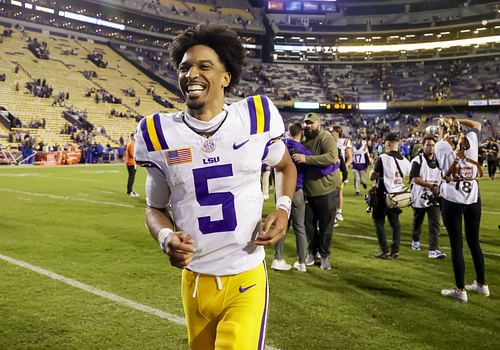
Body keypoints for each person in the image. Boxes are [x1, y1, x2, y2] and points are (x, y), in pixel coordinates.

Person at [134, 24, 296, 349]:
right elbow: (155, 208)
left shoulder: (256, 117)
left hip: (245, 275)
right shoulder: (158, 133)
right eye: (184, 67)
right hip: (194, 281)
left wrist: (283, 208)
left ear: (226, 77)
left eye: (204, 65)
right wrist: (166, 237)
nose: (191, 73)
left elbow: (285, 166)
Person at [436, 117, 489, 302]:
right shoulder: (471, 139)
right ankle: (482, 285)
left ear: (443, 129)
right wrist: (457, 119)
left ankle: (460, 290)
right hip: (473, 195)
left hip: (453, 197)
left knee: (456, 244)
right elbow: (476, 125)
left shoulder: (441, 145)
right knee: (474, 242)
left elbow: (444, 173)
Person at [293, 113, 341, 270]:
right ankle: (311, 253)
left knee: (326, 226)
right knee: (308, 225)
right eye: (306, 123)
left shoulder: (325, 137)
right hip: (309, 191)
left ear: (319, 124)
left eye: (311, 123)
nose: (308, 126)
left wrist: (307, 159)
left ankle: (325, 255)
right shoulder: (304, 141)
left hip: (327, 190)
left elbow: (332, 157)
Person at [369, 132, 411, 259]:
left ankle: (384, 250)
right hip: (397, 195)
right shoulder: (405, 160)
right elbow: (409, 176)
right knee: (395, 224)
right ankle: (395, 250)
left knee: (379, 221)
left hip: (383, 195)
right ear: (398, 144)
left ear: (387, 143)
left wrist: (373, 168)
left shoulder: (383, 158)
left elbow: (373, 176)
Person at [409, 134, 446, 259]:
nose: (430, 147)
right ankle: (415, 239)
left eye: (432, 145)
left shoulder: (439, 161)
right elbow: (415, 178)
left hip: (433, 197)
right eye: (428, 145)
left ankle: (433, 250)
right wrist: (431, 186)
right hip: (419, 196)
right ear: (423, 146)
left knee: (434, 223)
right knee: (418, 221)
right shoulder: (417, 160)